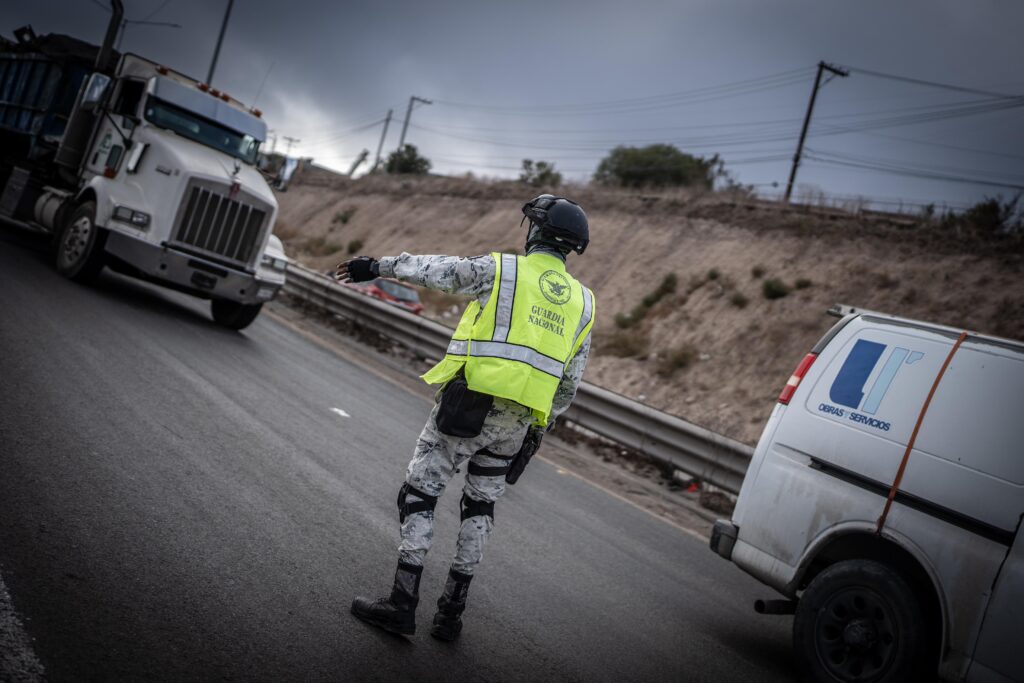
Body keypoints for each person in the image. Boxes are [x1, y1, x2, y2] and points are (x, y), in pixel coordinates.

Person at [334, 194, 596, 641]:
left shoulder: (502, 270)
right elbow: (569, 381)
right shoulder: (585, 303)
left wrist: (378, 267)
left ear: (534, 231)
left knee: (419, 494)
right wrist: (539, 427)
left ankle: (401, 604)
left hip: (468, 406)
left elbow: (439, 271)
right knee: (480, 507)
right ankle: (451, 615)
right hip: (518, 423)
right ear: (571, 247)